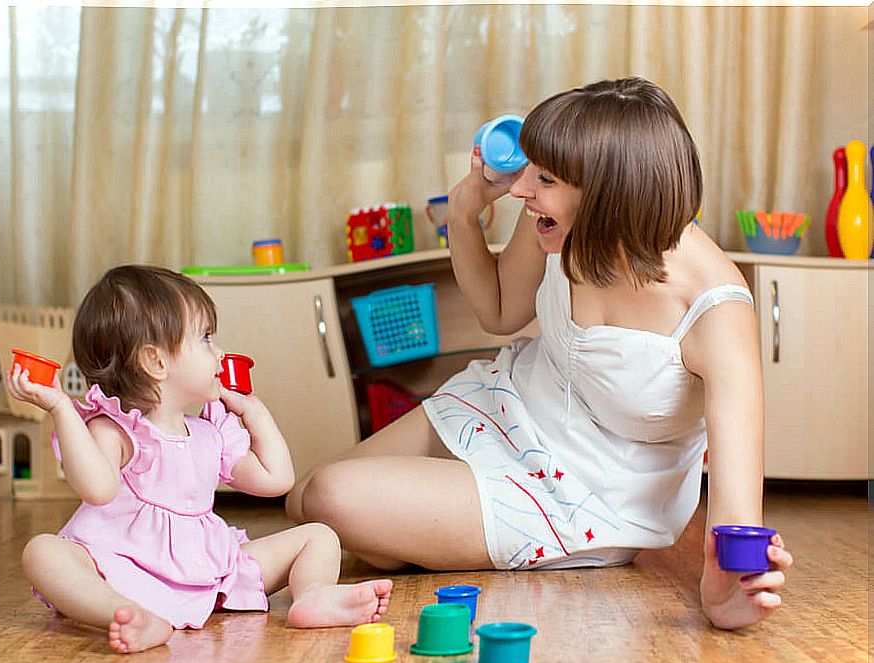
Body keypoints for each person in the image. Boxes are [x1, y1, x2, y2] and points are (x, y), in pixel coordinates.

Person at [287, 77, 793, 631]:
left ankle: (420, 531)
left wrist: (726, 594)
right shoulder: (559, 223)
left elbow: (739, 507)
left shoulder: (716, 311)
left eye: (545, 178)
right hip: (510, 404)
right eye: (531, 167)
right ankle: (411, 534)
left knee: (332, 499)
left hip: (584, 492)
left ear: (607, 194)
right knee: (303, 498)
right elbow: (501, 312)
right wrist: (463, 213)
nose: (521, 189)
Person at [7, 265, 392, 654]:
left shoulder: (211, 431)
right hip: (123, 568)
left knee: (319, 536)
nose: (220, 351)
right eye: (206, 339)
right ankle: (124, 613)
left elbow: (276, 479)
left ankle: (312, 595)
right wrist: (60, 408)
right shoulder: (117, 430)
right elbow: (98, 489)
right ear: (156, 362)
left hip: (210, 567)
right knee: (43, 552)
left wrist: (254, 412)